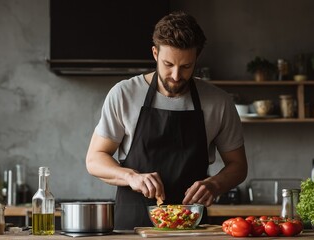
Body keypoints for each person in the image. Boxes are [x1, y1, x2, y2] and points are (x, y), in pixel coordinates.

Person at [86, 11, 248, 230]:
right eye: (168, 64)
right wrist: (131, 177)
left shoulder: (218, 102)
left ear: (196, 59)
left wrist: (215, 184)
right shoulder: (124, 94)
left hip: (192, 227)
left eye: (186, 66)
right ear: (155, 53)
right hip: (132, 229)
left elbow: (238, 165)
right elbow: (95, 159)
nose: (175, 75)